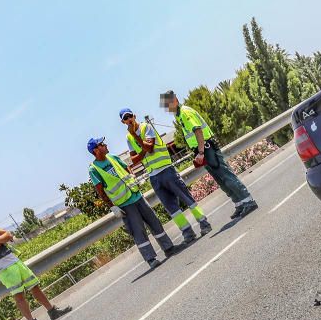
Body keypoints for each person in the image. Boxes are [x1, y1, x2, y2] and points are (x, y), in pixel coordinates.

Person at [120, 108, 211, 246]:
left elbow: (149, 148)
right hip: (153, 176)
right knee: (171, 208)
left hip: (166, 169)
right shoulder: (128, 138)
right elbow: (134, 160)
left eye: (130, 116)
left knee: (186, 197)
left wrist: (139, 140)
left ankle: (204, 223)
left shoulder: (146, 127)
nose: (129, 120)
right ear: (123, 122)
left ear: (134, 115)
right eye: (125, 118)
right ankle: (187, 232)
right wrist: (142, 147)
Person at [160, 90, 258, 218]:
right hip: (202, 150)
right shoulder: (179, 116)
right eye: (166, 105)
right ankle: (239, 203)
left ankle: (248, 201)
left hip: (207, 148)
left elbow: (198, 131)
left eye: (170, 102)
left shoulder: (185, 112)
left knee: (226, 176)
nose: (169, 106)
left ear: (176, 100)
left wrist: (200, 152)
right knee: (221, 180)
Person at [87, 137, 177, 270]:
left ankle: (168, 247)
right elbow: (101, 191)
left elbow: (126, 168)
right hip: (124, 203)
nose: (105, 145)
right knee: (138, 231)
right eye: (101, 144)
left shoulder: (112, 157)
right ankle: (150, 258)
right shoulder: (94, 169)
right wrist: (112, 207)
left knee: (154, 221)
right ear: (95, 150)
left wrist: (132, 177)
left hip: (136, 195)